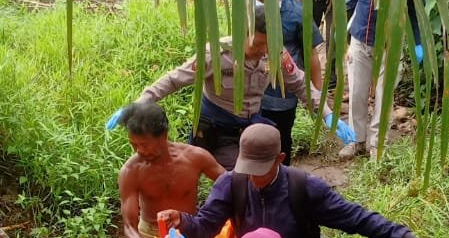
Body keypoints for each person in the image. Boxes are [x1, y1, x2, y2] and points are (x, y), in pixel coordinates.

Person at [159, 121, 446, 238]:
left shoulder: (304, 188)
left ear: (280, 159)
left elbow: (357, 218)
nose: (254, 178)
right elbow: (205, 230)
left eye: (261, 170)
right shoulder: (231, 183)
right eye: (249, 170)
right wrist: (183, 221)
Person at [105, 9, 354, 167]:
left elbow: (300, 84)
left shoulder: (276, 54)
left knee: (252, 171)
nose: (262, 51)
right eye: (257, 44)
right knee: (219, 173)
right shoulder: (215, 54)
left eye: (268, 45)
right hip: (213, 127)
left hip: (246, 127)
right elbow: (173, 79)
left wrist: (328, 114)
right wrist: (138, 103)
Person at [342, 0, 426, 161]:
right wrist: (342, 32)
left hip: (391, 42)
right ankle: (356, 140)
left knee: (384, 97)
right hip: (360, 36)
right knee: (356, 93)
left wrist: (418, 41)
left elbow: (416, 6)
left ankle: (377, 147)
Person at [116, 101, 224, 238]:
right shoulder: (131, 171)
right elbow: (129, 225)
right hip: (149, 236)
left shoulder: (195, 158)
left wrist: (212, 216)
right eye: (134, 144)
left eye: (145, 145)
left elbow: (230, 184)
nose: (139, 150)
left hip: (185, 234)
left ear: (164, 136)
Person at [254, 0, 324, 162]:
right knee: (255, 144)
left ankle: (281, 182)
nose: (263, 5)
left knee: (280, 141)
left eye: (268, 0)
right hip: (252, 94)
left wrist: (317, 100)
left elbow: (311, 55)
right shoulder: (246, 10)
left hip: (282, 96)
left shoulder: (298, 14)